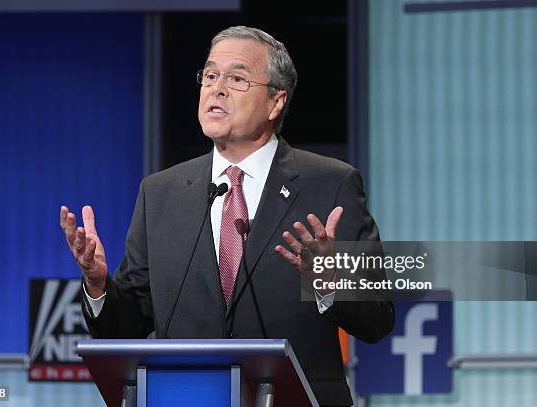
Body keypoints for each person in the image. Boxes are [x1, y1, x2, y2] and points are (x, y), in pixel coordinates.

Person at [60, 26, 393, 406]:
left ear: (275, 102)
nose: (216, 88)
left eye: (236, 78)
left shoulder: (330, 184)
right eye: (210, 75)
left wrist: (329, 284)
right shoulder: (160, 192)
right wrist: (99, 285)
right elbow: (129, 325)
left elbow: (377, 319)